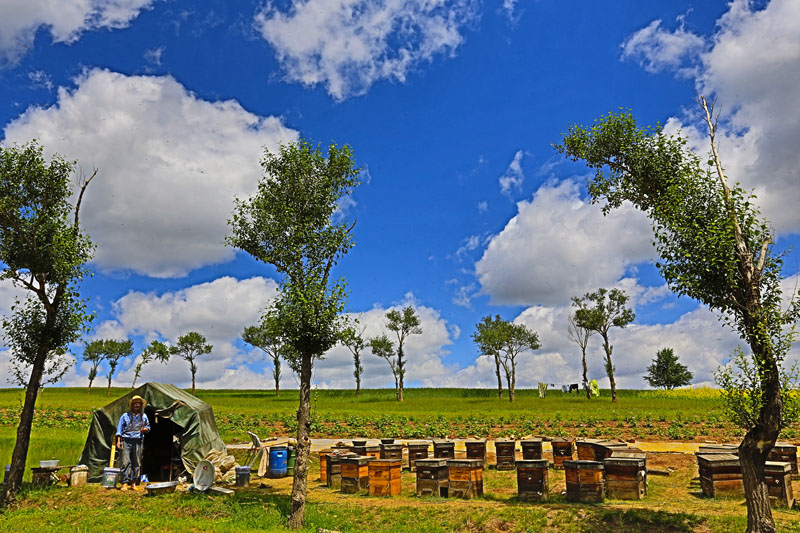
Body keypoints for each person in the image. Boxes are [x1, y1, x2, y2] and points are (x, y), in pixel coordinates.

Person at [116, 395, 150, 491]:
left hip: (138, 441)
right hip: (126, 440)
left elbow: (148, 427)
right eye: (135, 403)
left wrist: (145, 429)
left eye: (138, 403)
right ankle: (124, 483)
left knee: (137, 462)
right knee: (125, 462)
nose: (137, 404)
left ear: (141, 405)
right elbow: (119, 429)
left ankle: (133, 483)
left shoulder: (144, 416)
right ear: (131, 405)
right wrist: (119, 441)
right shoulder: (124, 416)